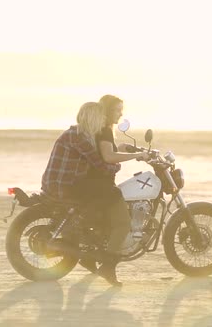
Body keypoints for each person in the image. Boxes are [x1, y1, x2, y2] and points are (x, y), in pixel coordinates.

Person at [74, 95, 150, 286]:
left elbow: (108, 150)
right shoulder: (105, 130)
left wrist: (130, 149)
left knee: (109, 220)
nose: (121, 113)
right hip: (99, 184)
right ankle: (108, 268)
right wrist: (138, 155)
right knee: (123, 225)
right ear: (108, 111)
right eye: (117, 110)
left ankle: (90, 257)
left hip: (90, 183)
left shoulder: (101, 130)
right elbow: (108, 156)